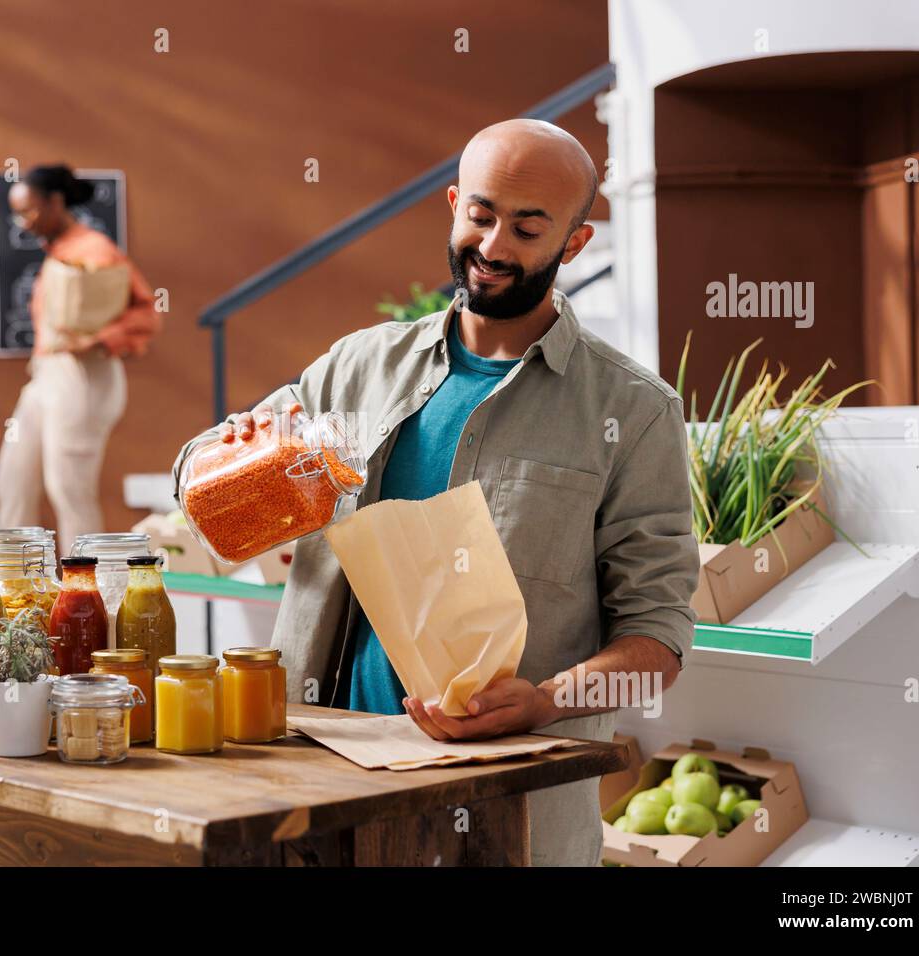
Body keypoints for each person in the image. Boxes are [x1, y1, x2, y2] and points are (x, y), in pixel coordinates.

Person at [171, 119, 699, 866]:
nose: (492, 247)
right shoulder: (358, 368)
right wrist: (240, 471)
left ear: (574, 244)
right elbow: (197, 478)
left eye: (526, 227)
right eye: (480, 216)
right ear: (454, 205)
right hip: (317, 788)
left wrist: (546, 702)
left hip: (503, 818)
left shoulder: (634, 412)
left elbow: (660, 645)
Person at [0, 165, 161, 553]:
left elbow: (147, 313)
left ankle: (85, 592)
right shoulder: (60, 252)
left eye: (30, 211)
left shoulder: (94, 250)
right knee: (13, 479)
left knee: (69, 487)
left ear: (56, 202)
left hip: (82, 377)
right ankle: (11, 587)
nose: (24, 222)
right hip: (46, 376)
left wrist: (99, 339)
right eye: (18, 214)